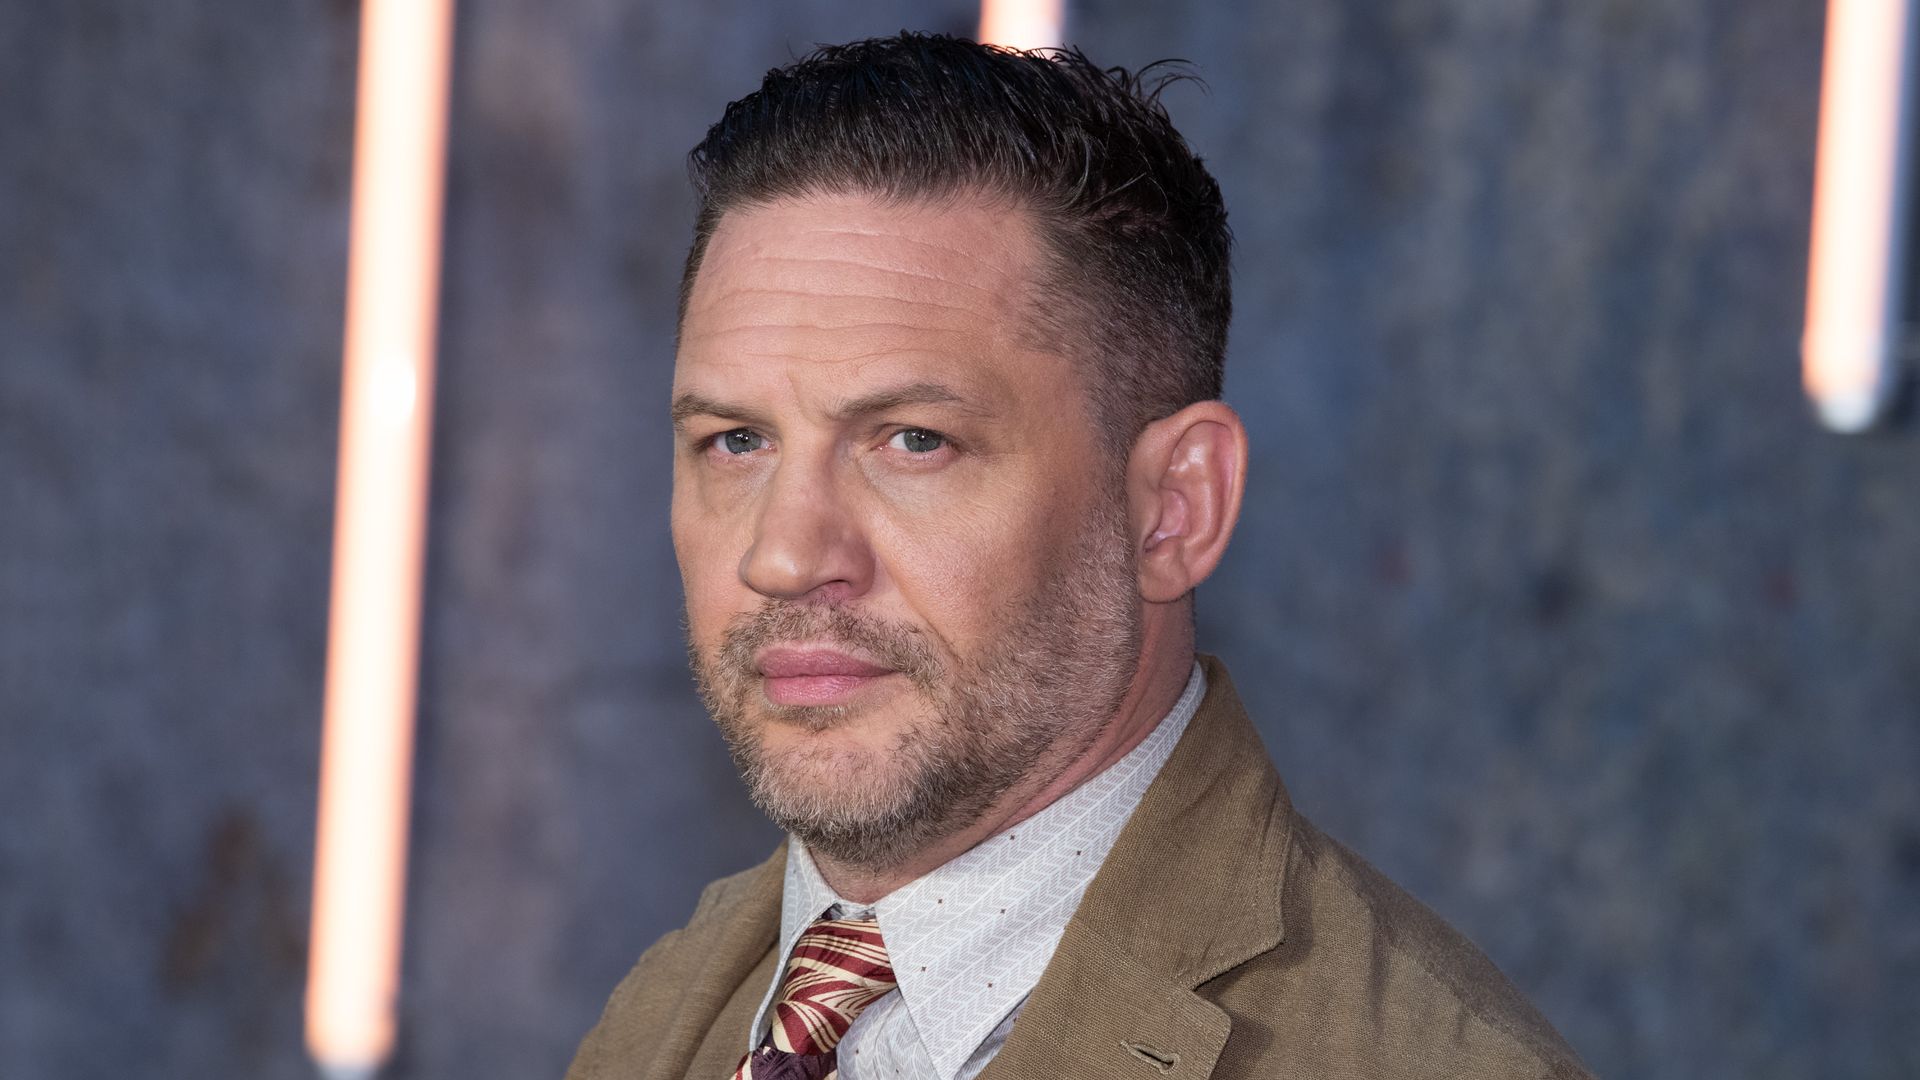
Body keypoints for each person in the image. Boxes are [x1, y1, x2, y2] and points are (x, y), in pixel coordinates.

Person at [568, 33, 1594, 1080]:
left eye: (915, 441)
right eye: (736, 441)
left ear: (1174, 509)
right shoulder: (658, 1018)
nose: (784, 557)